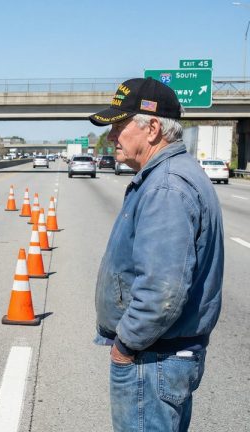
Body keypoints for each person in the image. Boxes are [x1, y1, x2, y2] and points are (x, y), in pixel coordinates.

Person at [90, 77, 224, 431]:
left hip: (153, 359)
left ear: (151, 129)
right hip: (160, 355)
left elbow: (163, 291)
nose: (111, 136)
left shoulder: (166, 186)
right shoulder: (167, 176)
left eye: (119, 126)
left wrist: (126, 345)